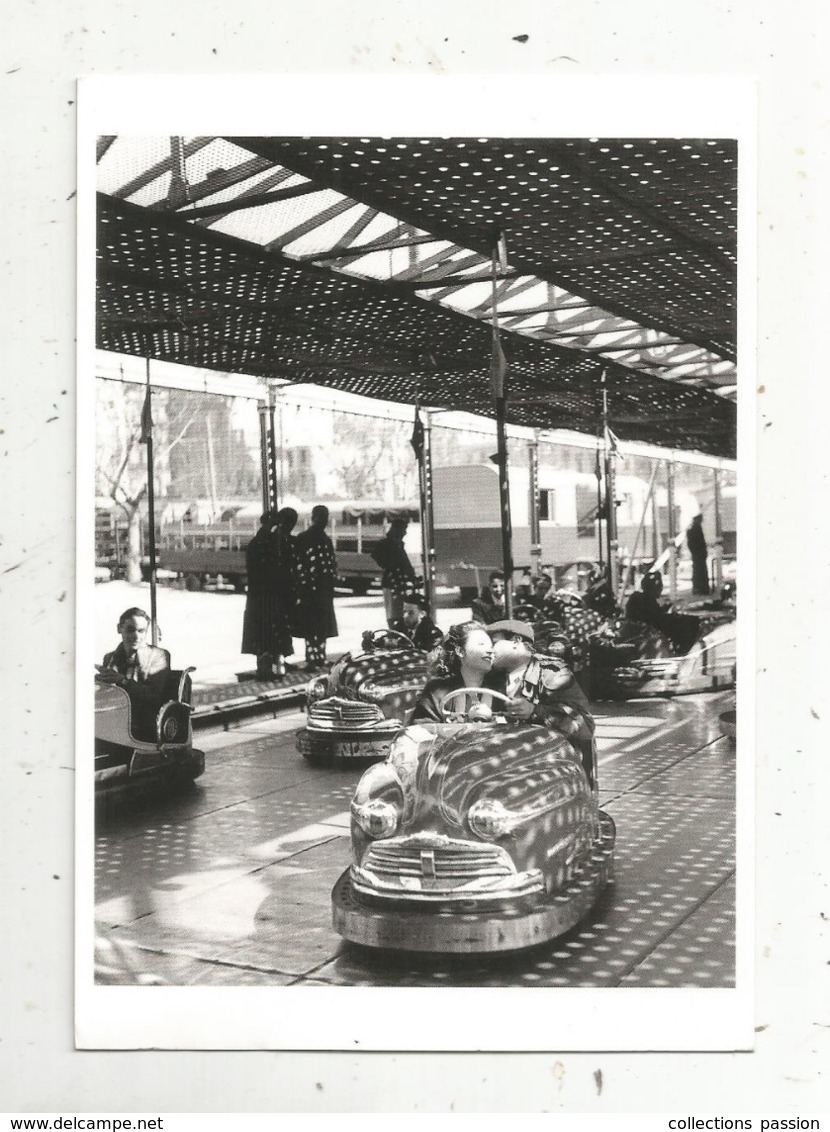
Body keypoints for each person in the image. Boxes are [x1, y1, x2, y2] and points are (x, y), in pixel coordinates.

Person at [484, 620, 597, 788]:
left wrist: (535, 712)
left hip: (556, 772)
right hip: (510, 769)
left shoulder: (552, 673)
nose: (489, 649)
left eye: (494, 643)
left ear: (516, 642)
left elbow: (584, 727)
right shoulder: (491, 676)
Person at [97, 607, 171, 740]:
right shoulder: (110, 658)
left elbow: (153, 697)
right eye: (130, 630)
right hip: (116, 718)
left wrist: (122, 681)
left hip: (145, 723)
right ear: (119, 628)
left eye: (141, 631)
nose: (136, 636)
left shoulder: (159, 656)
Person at [241, 510, 294, 680]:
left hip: (258, 594)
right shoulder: (271, 543)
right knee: (270, 630)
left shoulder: (256, 542)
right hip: (270, 593)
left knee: (262, 631)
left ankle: (264, 665)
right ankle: (267, 667)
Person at [410, 622, 495, 722]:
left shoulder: (502, 687)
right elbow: (423, 728)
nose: (490, 651)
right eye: (481, 644)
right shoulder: (438, 690)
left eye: (491, 646)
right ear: (460, 651)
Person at [293, 504, 338, 672]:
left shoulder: (322, 539)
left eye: (325, 517)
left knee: (318, 624)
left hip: (321, 590)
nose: (323, 521)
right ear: (314, 518)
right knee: (314, 624)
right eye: (321, 517)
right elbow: (298, 564)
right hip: (312, 590)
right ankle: (313, 657)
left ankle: (318, 656)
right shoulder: (309, 539)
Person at [625, 571, 698, 655]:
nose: (660, 590)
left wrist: (668, 607)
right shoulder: (646, 600)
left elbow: (655, 613)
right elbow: (655, 617)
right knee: (684, 623)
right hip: (647, 628)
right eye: (659, 588)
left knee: (676, 620)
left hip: (644, 626)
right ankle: (682, 649)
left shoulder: (638, 597)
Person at [370, 515, 419, 627]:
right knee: (394, 613)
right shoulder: (389, 544)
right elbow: (376, 555)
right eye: (404, 530)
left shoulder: (397, 544)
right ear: (398, 530)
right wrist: (389, 565)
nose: (405, 533)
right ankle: (394, 631)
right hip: (393, 583)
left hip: (398, 583)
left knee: (400, 611)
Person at [687, 514, 711, 595]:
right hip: (699, 554)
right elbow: (699, 543)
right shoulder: (696, 529)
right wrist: (700, 552)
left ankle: (698, 588)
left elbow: (690, 543)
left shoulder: (692, 529)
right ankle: (702, 589)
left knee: (697, 572)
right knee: (701, 572)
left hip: (697, 554)